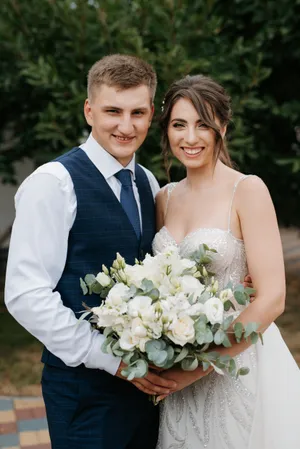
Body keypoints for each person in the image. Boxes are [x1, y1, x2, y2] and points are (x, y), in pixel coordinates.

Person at [4, 54, 177, 449]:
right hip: (84, 392)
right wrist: (111, 359)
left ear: (151, 114)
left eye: (137, 112)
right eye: (113, 111)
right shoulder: (53, 183)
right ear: (89, 110)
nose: (126, 125)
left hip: (145, 393)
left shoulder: (147, 182)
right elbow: (25, 295)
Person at [152, 74, 300, 449]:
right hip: (179, 372)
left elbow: (272, 299)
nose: (190, 137)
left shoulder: (247, 190)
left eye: (203, 124)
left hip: (238, 368)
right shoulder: (164, 197)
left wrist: (200, 365)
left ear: (223, 126)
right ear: (166, 130)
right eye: (179, 125)